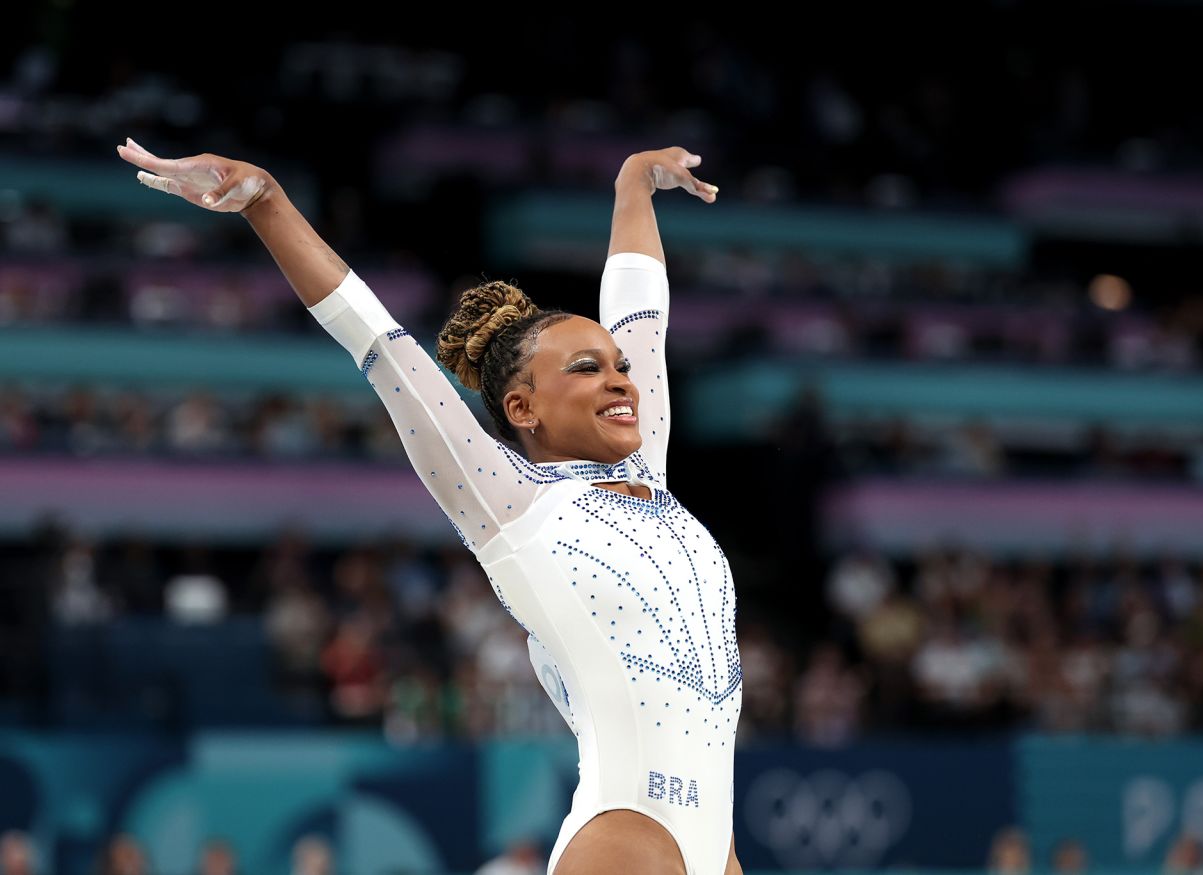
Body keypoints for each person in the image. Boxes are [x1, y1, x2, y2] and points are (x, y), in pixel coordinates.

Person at [116, 137, 742, 875]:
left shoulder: (651, 469)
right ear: (522, 406)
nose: (622, 381)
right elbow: (377, 342)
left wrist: (633, 184)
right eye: (586, 367)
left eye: (620, 368)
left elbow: (643, 312)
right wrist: (267, 201)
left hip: (715, 840)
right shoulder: (512, 501)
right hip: (630, 833)